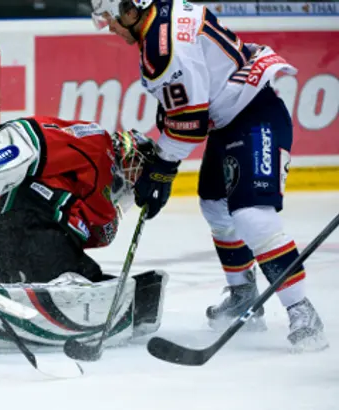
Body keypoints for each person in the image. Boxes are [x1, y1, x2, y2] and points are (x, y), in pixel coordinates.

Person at [91, 0, 327, 350]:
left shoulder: (162, 46)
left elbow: (190, 126)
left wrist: (162, 169)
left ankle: (302, 311)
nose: (108, 26)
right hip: (230, 118)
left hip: (254, 116)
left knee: (251, 215)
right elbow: (193, 92)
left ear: (130, 10)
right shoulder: (163, 16)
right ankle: (243, 293)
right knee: (215, 206)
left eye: (110, 18)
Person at [0, 116, 168, 354]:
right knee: (79, 277)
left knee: (86, 274)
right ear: (131, 155)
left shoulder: (100, 195)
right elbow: (33, 132)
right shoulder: (97, 145)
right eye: (139, 172)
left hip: (13, 243)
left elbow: (94, 232)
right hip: (21, 224)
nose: (136, 181)